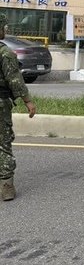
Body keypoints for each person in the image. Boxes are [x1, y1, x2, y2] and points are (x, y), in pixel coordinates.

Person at [0, 13, 36, 201]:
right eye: (4, 27)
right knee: (3, 143)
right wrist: (27, 101)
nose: (6, 30)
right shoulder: (5, 53)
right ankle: (6, 186)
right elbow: (15, 80)